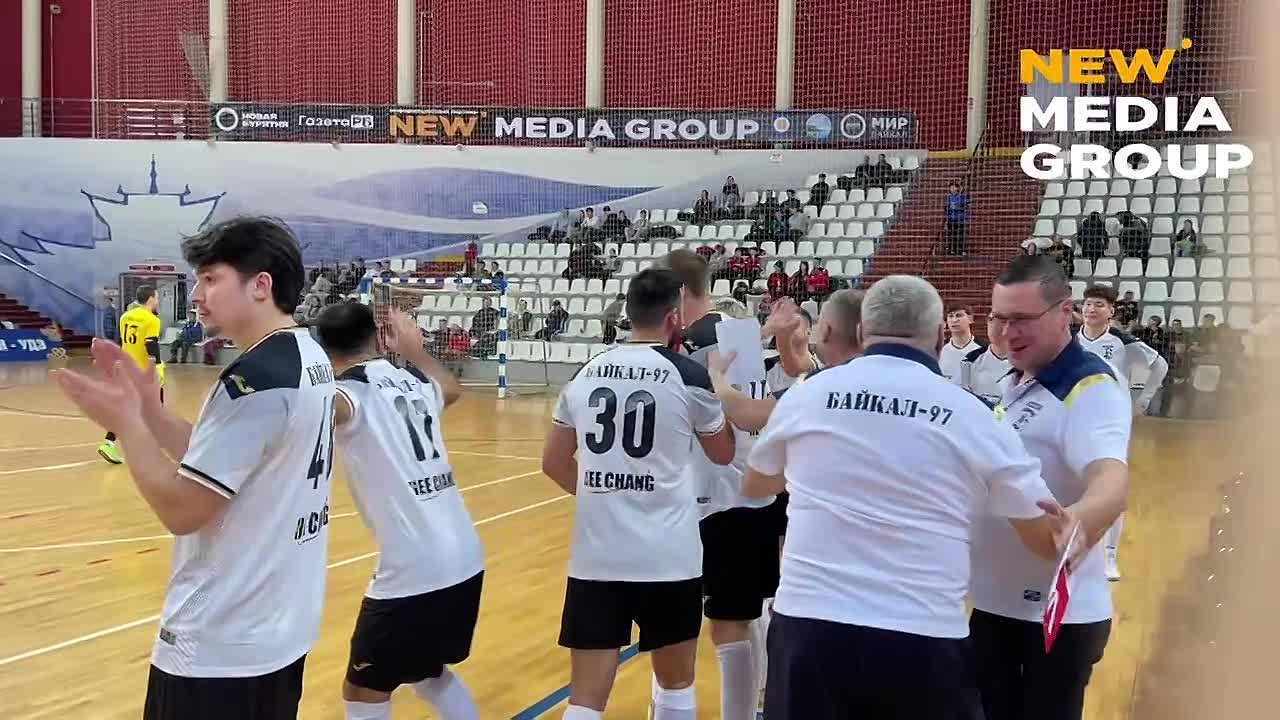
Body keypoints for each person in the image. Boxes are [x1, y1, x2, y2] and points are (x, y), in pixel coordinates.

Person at [744, 275, 1070, 720]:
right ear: (938, 336)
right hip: (922, 634)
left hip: (808, 625)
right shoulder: (976, 415)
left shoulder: (806, 395)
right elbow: (1046, 537)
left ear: (863, 332)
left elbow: (757, 485)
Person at [53, 216, 334, 720]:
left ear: (260, 286)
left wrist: (128, 426)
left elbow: (184, 511)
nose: (197, 295)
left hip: (220, 644)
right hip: (278, 630)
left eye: (210, 278)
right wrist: (150, 410)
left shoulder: (254, 381)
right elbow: (223, 459)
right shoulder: (306, 355)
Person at [540, 268, 736, 720]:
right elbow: (723, 454)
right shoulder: (689, 376)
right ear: (674, 317)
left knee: (584, 700)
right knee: (676, 686)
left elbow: (554, 462)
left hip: (597, 556)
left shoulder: (585, 372)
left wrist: (601, 495)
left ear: (629, 312)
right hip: (668, 556)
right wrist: (722, 389)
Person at [971, 255, 1132, 720]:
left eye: (1022, 319)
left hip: (1051, 621)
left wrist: (1080, 519)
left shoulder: (1090, 387)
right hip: (998, 607)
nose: (1007, 332)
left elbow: (1111, 476)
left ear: (1065, 312)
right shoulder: (1022, 379)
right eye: (999, 318)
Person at [313, 303, 483, 720]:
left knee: (362, 689)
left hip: (415, 570)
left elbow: (326, 408)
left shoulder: (347, 393)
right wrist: (415, 351)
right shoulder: (413, 381)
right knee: (425, 672)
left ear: (324, 348)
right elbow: (451, 389)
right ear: (376, 336)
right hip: (464, 556)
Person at [656, 249, 780, 720]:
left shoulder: (693, 341)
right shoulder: (738, 330)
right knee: (744, 616)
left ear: (678, 292)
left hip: (716, 498)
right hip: (748, 491)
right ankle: (760, 701)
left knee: (719, 624)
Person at [1076, 283, 1168, 581]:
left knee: (1111, 488)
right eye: (1088, 303)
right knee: (1074, 486)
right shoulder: (1069, 340)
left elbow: (1160, 366)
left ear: (1111, 311)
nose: (1092, 309)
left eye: (1099, 305)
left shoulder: (1122, 341)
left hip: (1111, 423)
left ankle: (1111, 556)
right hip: (1075, 420)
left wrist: (1141, 402)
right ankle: (1074, 550)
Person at [98, 285, 167, 465]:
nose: (157, 301)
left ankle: (109, 443)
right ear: (150, 299)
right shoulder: (152, 319)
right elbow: (151, 343)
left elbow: (123, 342)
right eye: (156, 297)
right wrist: (157, 366)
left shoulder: (125, 317)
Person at [961, 314, 1012, 406]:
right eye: (990, 319)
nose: (993, 325)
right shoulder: (970, 360)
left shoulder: (1029, 363)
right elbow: (965, 399)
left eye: (1001, 320)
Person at [939, 305, 983, 385]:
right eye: (950, 316)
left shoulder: (983, 350)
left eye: (959, 315)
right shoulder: (939, 350)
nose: (954, 320)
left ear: (970, 319)